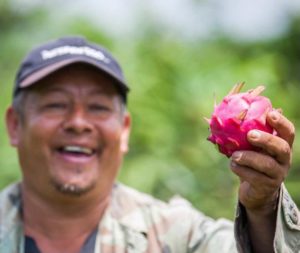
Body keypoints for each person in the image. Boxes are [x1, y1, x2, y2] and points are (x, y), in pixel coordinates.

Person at [0, 36, 299, 253]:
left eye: (98, 107)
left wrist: (263, 208)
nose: (78, 122)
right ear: (15, 125)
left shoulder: (178, 236)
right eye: (55, 104)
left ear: (124, 130)